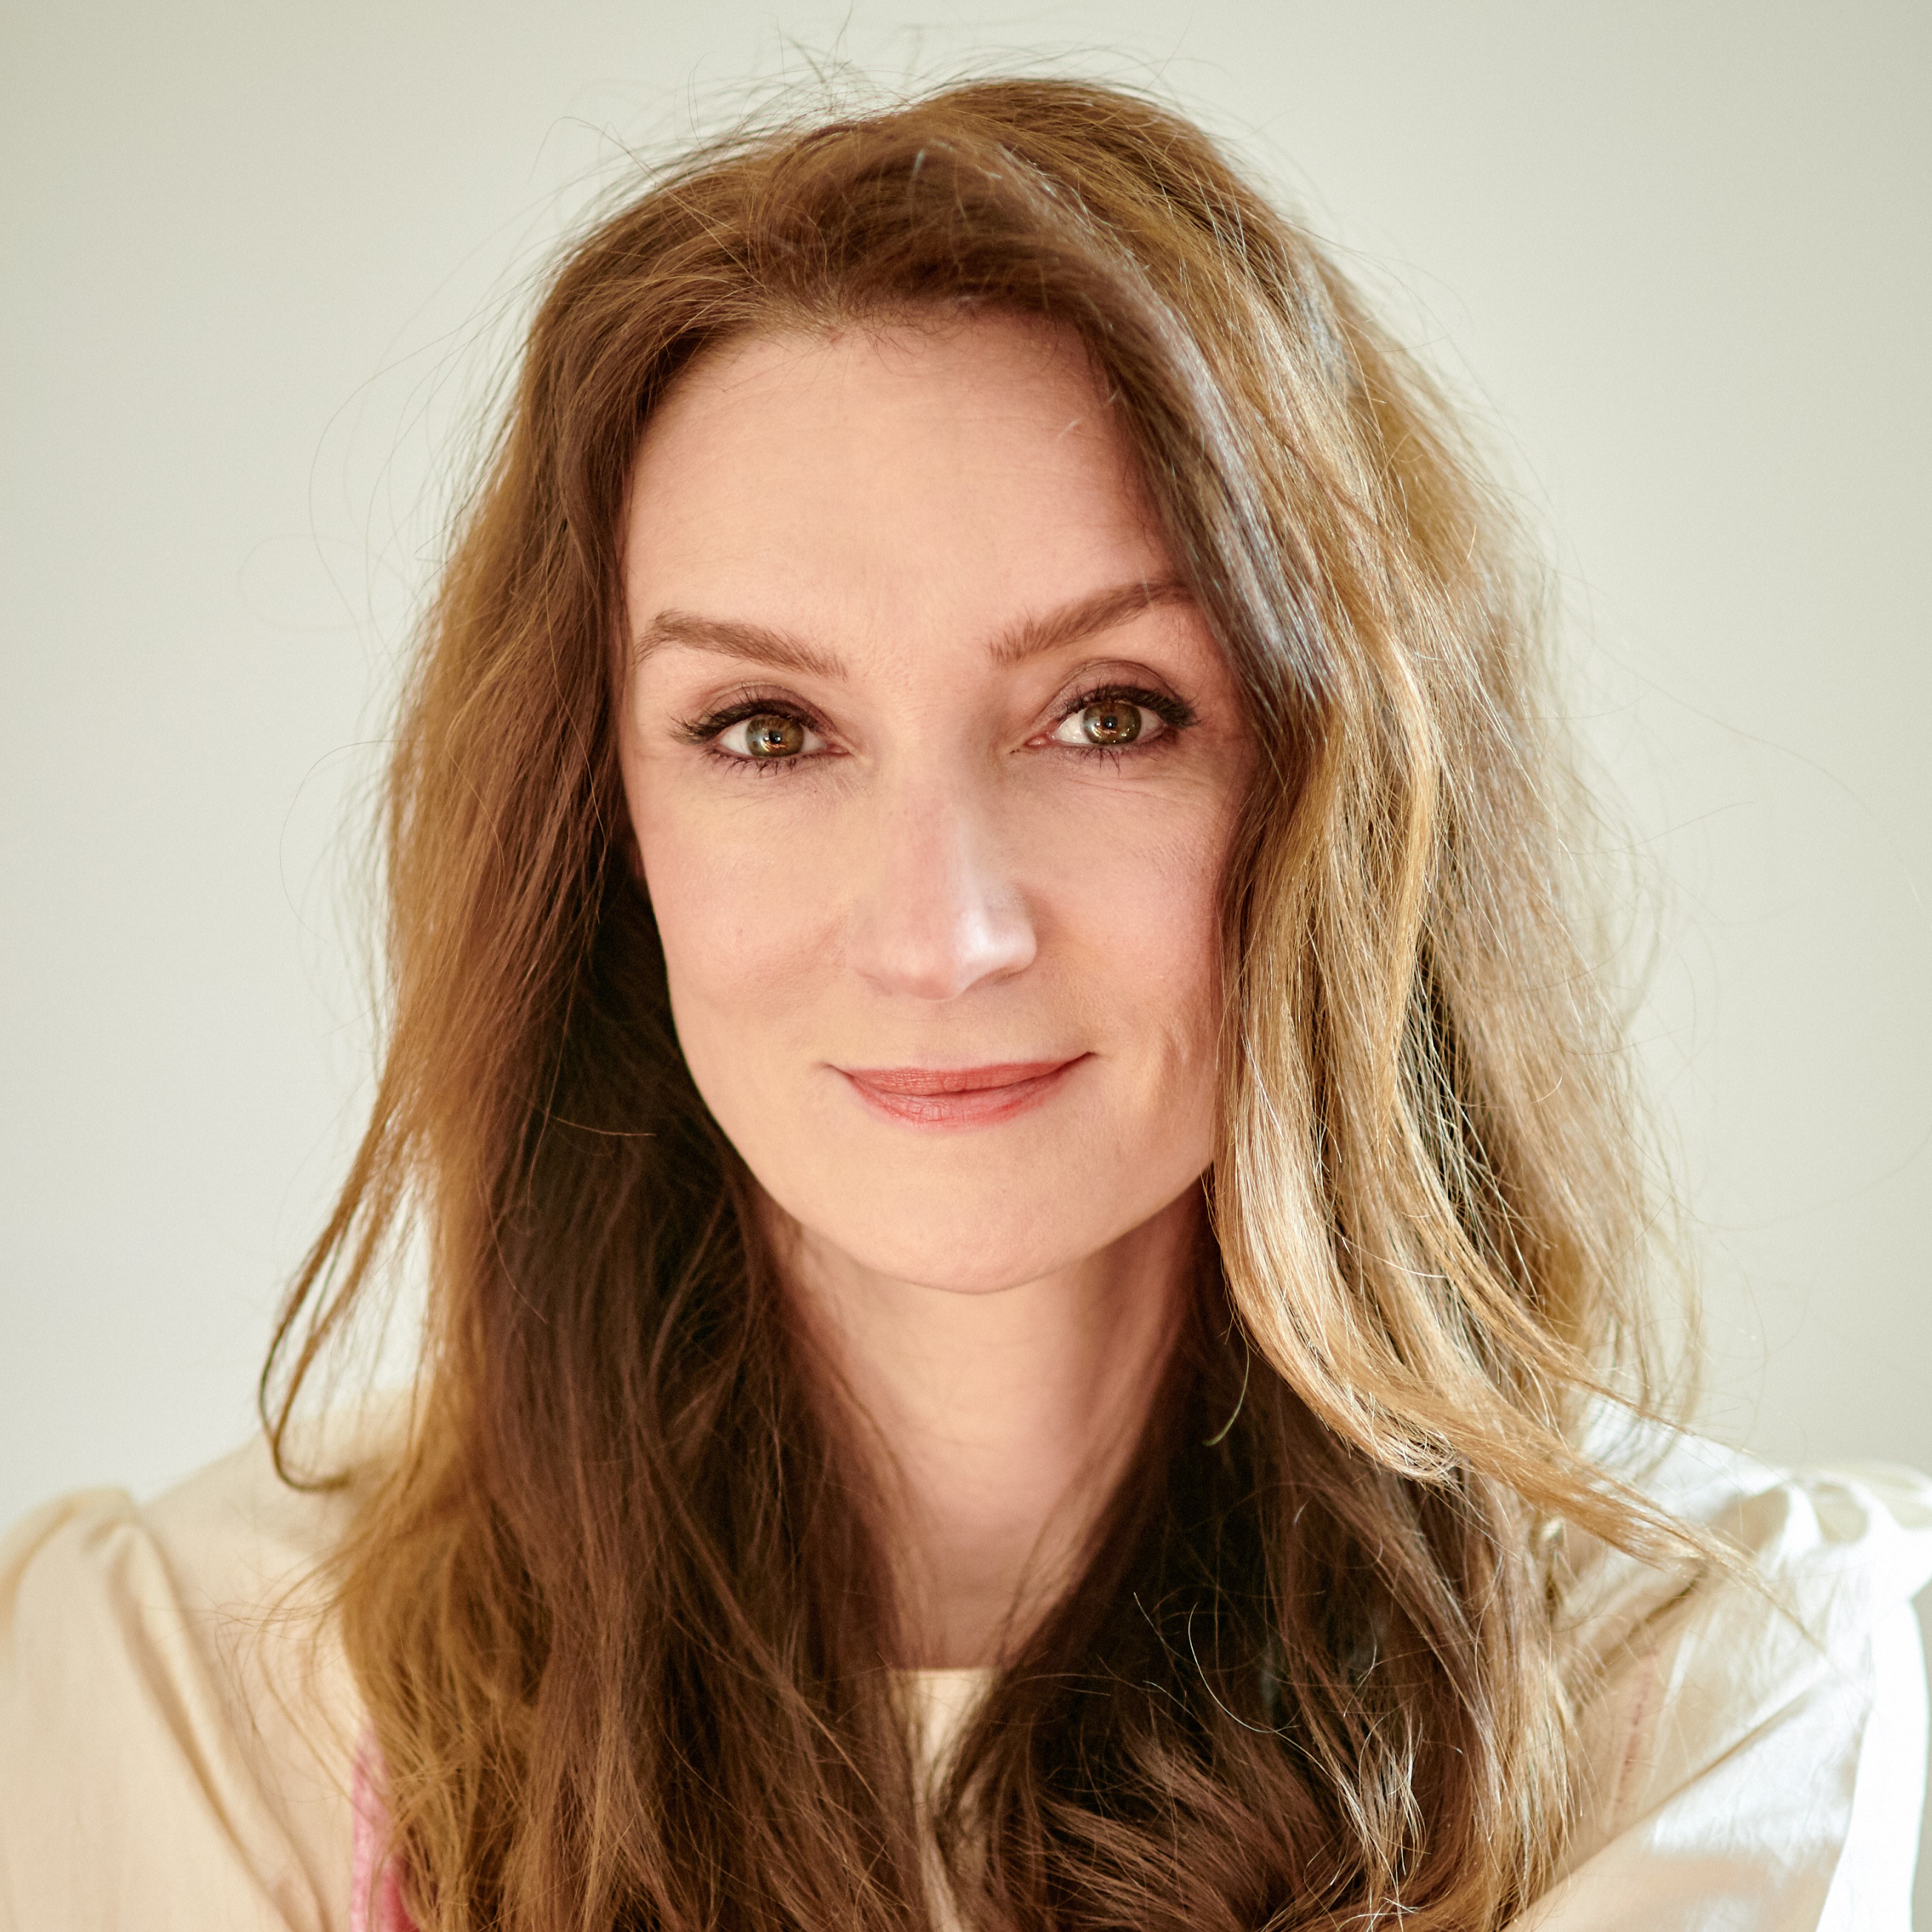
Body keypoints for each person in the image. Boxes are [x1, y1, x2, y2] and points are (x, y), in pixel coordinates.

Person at [1, 75, 1927, 1932]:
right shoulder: (198, 1692)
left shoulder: (1695, 1687)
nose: (940, 936)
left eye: (1114, 715)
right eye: (767, 729)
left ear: (1341, 795)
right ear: (605, 826)